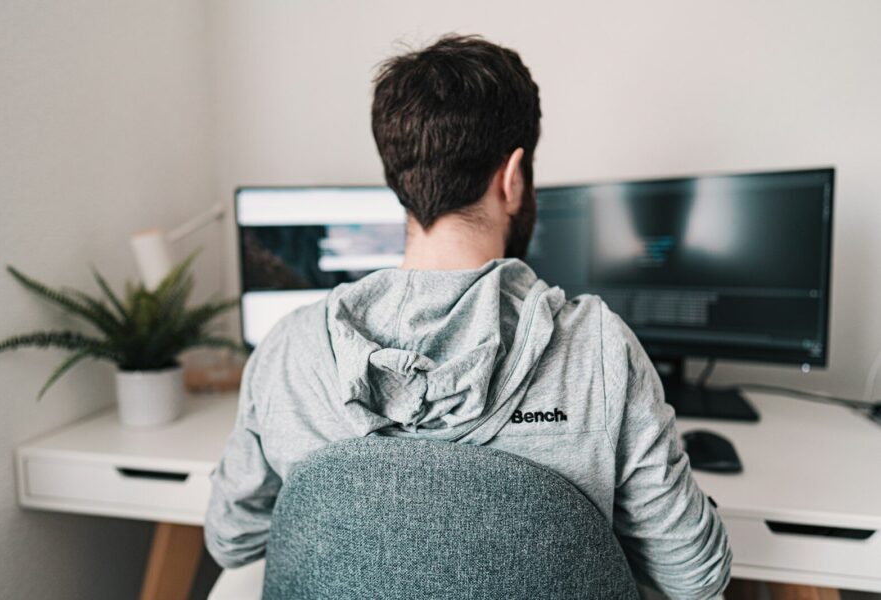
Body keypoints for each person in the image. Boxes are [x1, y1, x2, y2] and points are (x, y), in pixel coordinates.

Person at [205, 34, 731, 598]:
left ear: (399, 182)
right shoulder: (596, 350)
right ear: (512, 178)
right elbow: (695, 578)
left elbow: (231, 540)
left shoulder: (289, 350)